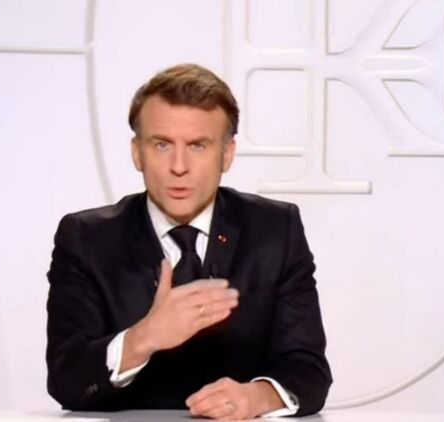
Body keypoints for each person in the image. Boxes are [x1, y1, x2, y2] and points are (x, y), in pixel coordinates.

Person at [46, 63, 331, 419]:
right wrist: (143, 338)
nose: (178, 166)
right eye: (162, 144)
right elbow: (66, 381)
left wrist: (256, 397)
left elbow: (309, 371)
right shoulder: (86, 238)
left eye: (198, 145)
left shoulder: (275, 230)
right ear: (137, 153)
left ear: (227, 154)